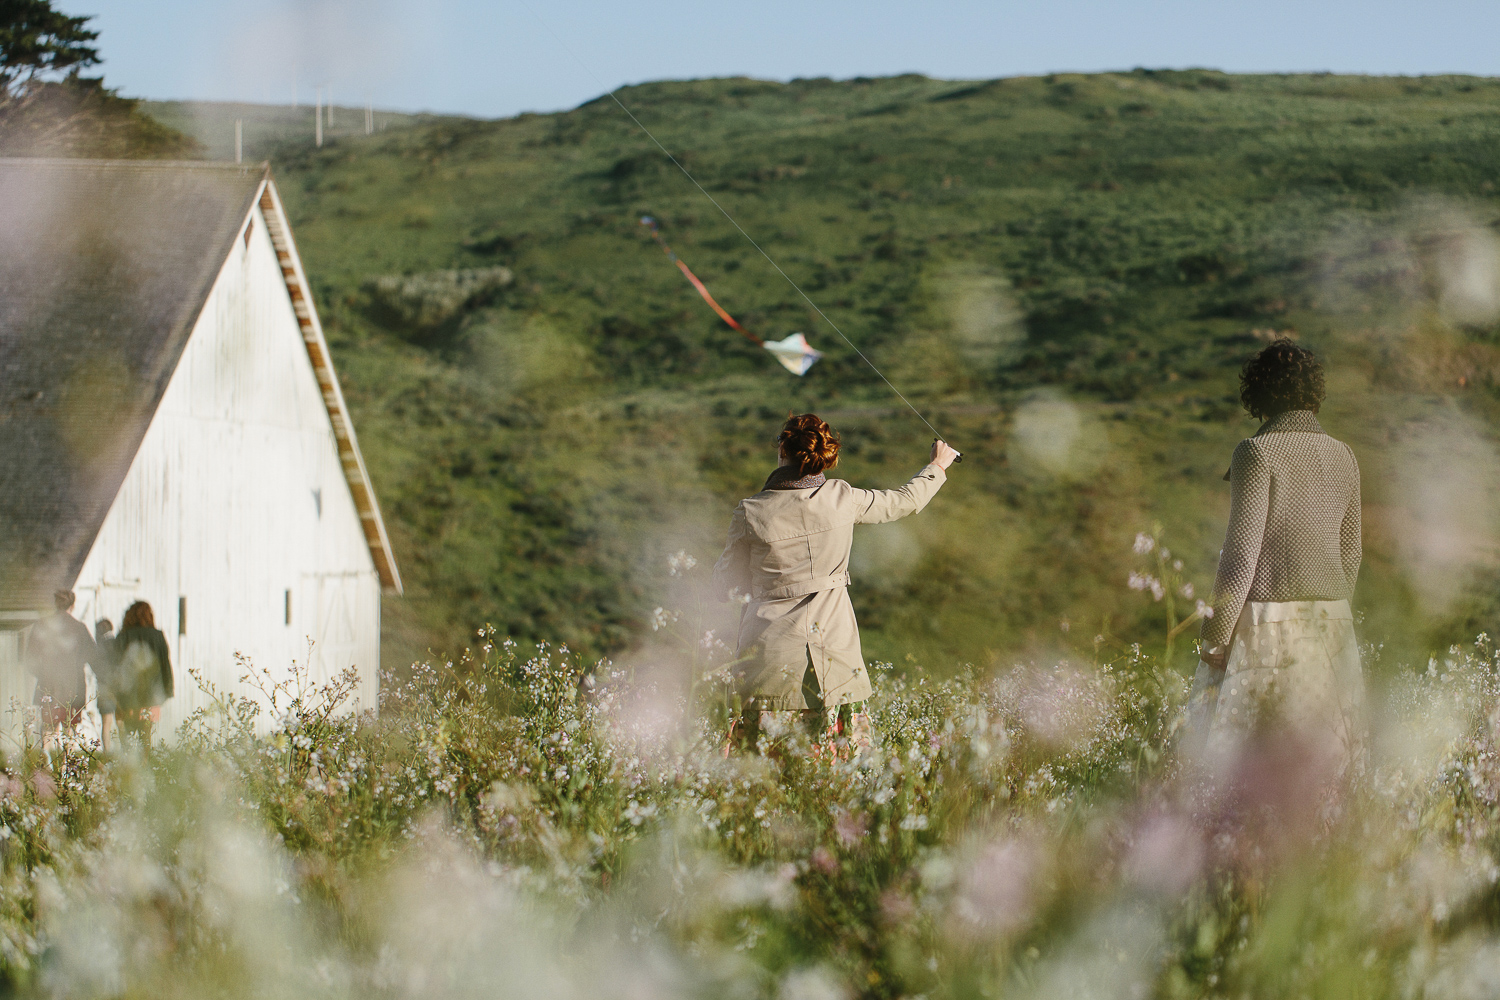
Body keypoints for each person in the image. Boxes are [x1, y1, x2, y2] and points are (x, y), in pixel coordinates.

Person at [712, 413, 959, 755]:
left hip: (768, 660)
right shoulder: (842, 497)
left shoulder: (750, 512)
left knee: (763, 777)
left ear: (783, 449)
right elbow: (905, 501)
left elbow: (725, 584)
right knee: (837, 773)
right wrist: (938, 464)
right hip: (835, 656)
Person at [1190, 339, 1364, 762]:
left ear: (1259, 393)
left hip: (1267, 624)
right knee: (1328, 766)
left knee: (1249, 768)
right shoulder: (1345, 455)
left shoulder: (1255, 452)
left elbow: (1240, 556)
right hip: (1335, 625)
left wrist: (1214, 639)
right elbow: (1352, 553)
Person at [22, 590, 97, 750]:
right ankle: (66, 767)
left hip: (49, 684)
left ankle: (47, 764)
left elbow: (30, 658)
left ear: (55, 604)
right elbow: (93, 657)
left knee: (48, 726)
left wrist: (43, 674)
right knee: (70, 728)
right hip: (74, 686)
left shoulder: (41, 626)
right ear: (73, 605)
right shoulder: (79, 628)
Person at [112, 601, 173, 749]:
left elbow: (115, 666)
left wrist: (115, 693)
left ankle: (129, 768)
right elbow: (165, 663)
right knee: (146, 736)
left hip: (127, 695)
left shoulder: (123, 636)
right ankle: (144, 767)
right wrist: (168, 689)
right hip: (152, 695)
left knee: (128, 736)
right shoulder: (158, 636)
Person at [93, 618, 118, 750]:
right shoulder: (117, 643)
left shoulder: (99, 647)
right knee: (120, 722)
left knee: (106, 723)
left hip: (104, 686)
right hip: (119, 687)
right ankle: (125, 753)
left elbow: (95, 667)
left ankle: (106, 753)